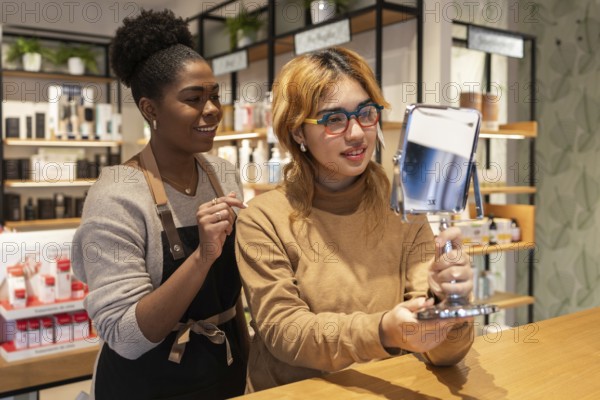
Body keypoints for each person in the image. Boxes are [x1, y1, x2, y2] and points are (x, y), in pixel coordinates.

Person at [235, 47, 475, 391]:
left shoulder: (403, 209)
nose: (357, 133)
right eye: (333, 119)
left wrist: (447, 306)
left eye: (366, 113)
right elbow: (285, 332)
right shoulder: (262, 219)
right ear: (298, 132)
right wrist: (382, 332)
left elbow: (444, 355)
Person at [71, 9, 248, 399]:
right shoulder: (116, 195)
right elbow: (126, 337)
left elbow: (235, 294)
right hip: (146, 383)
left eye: (215, 95)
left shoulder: (224, 174)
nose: (212, 109)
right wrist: (202, 256)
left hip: (227, 370)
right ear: (150, 110)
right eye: (193, 99)